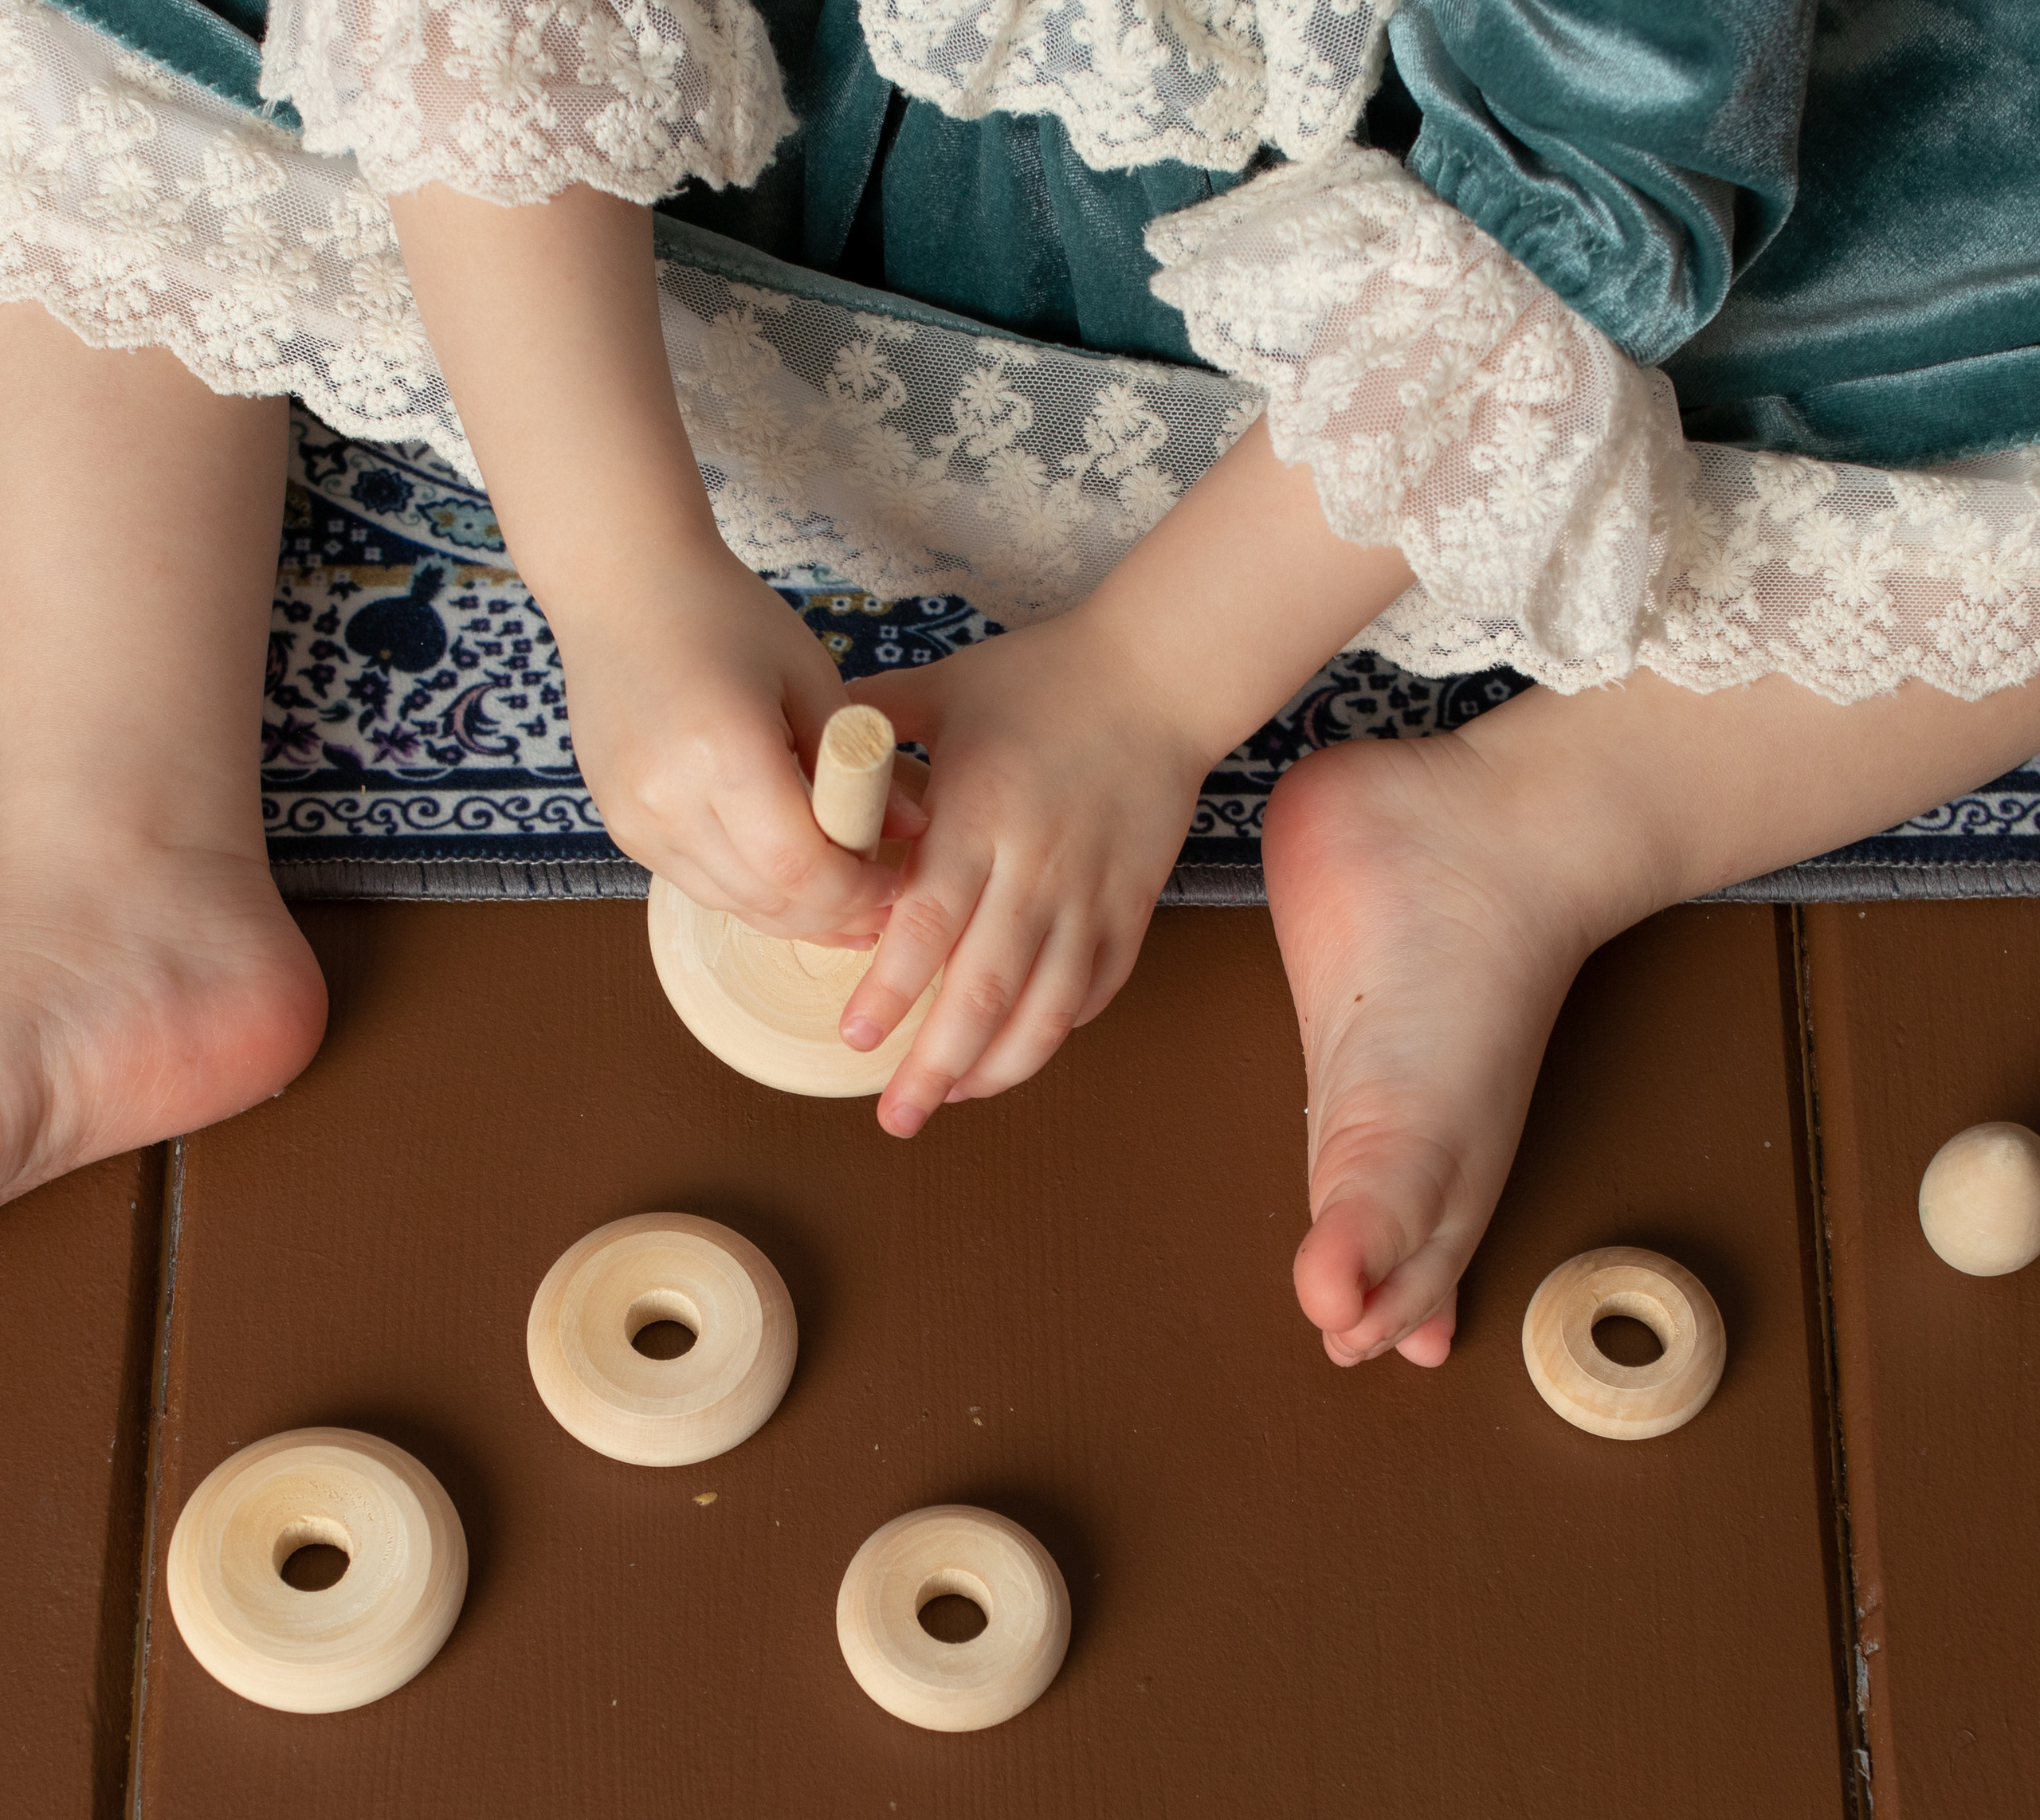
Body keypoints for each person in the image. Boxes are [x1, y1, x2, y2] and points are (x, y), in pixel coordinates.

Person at [2, 0, 2036, 1368]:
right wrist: (612, 569)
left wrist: (1149, 685)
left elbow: (1606, 183)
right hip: (725, 144)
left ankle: (1531, 824)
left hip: (1405, 291)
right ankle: (113, 841)